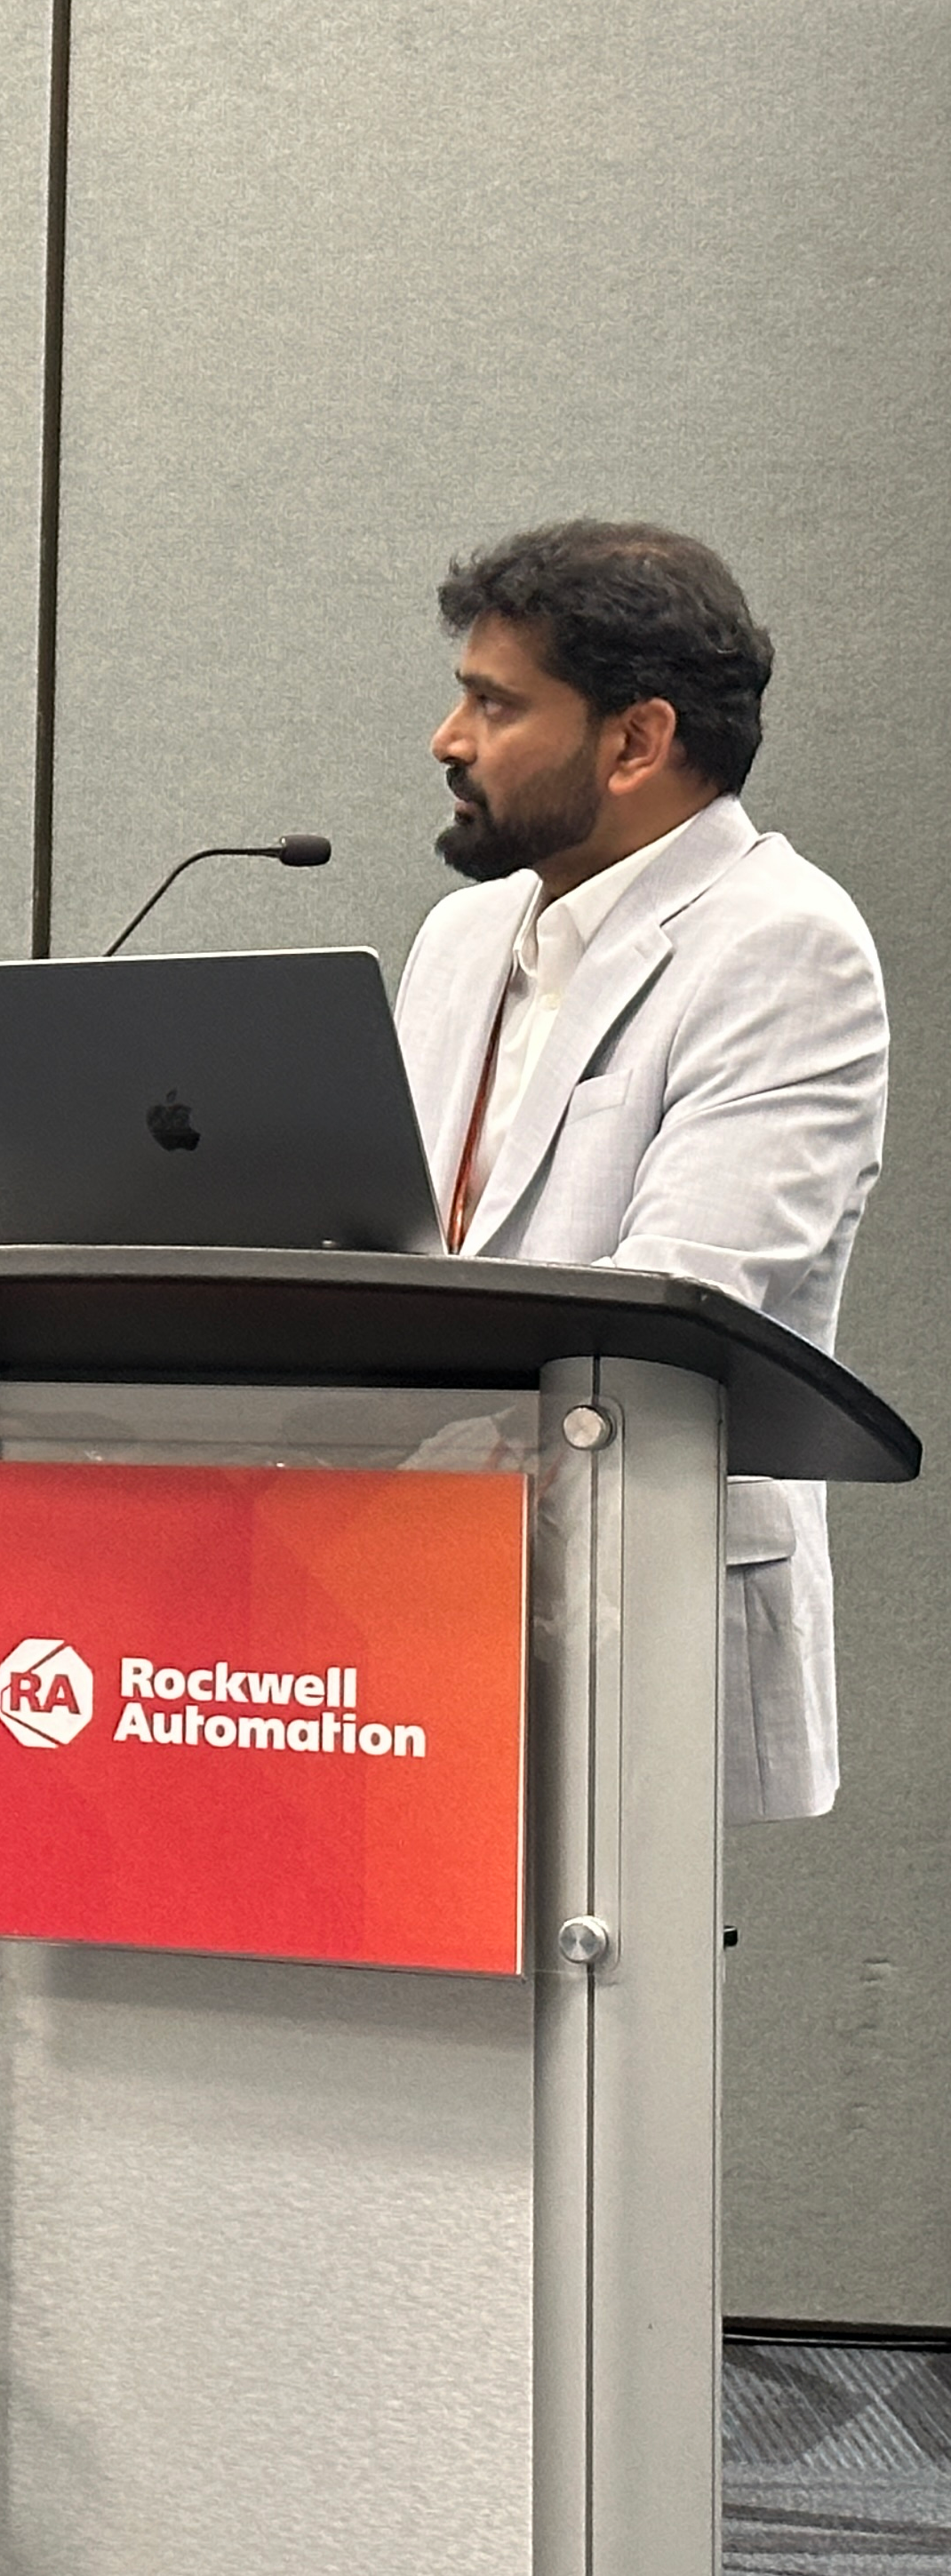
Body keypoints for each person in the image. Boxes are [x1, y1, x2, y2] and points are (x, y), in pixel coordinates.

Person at [396, 519, 888, 1819]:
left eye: (495, 704)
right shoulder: (460, 936)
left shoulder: (786, 948)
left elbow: (676, 1305)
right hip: (403, 1615)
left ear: (635, 741)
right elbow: (397, 1250)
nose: (449, 740)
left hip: (636, 1613)